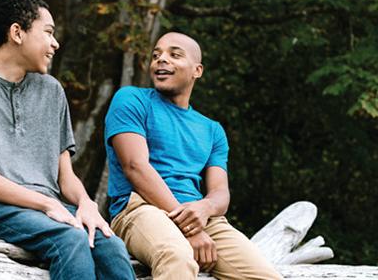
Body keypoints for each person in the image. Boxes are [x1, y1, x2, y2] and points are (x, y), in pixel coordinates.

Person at [0, 0, 133, 280]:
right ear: (17, 33)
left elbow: (65, 176)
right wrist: (45, 203)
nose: (55, 43)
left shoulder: (52, 91)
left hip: (51, 210)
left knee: (111, 247)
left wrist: (86, 204)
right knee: (70, 240)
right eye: (48, 32)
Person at [104, 32, 283, 279]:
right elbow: (135, 167)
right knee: (177, 257)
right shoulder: (132, 99)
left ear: (197, 71)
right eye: (156, 55)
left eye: (174, 55)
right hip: (141, 208)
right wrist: (188, 228)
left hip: (201, 217)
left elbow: (220, 192)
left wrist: (204, 208)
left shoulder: (212, 130)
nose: (161, 60)